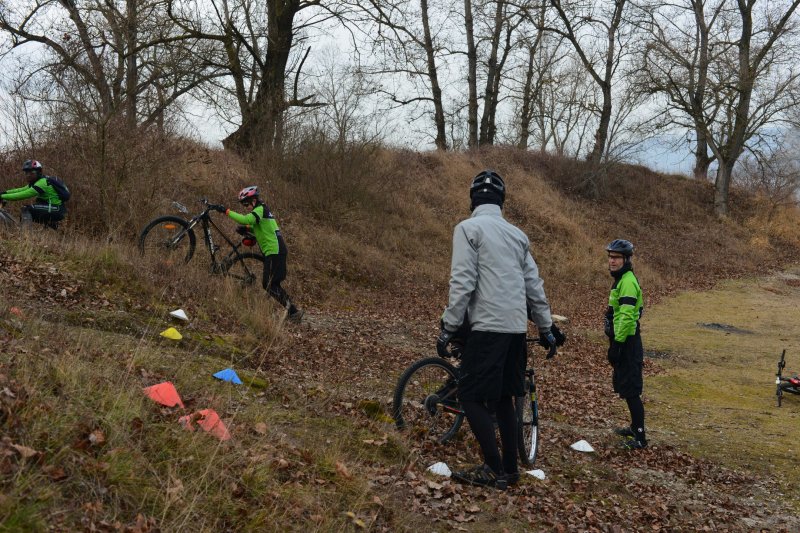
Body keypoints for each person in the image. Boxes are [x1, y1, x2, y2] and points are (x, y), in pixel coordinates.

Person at [437, 170, 562, 490]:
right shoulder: (517, 236)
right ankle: (510, 469)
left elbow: (462, 283)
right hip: (515, 329)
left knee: (469, 394)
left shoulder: (467, 229)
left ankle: (493, 468)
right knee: (505, 398)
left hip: (488, 327)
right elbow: (534, 286)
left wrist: (449, 327)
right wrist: (546, 327)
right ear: (501, 202)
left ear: (473, 199)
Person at [211, 186, 303, 322]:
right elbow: (258, 226)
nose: (246, 207)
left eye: (247, 203)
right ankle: (293, 312)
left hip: (275, 251)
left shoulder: (260, 209)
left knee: (269, 284)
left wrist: (226, 211)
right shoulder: (261, 211)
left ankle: (293, 312)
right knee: (272, 284)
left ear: (254, 200)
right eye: (244, 205)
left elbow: (246, 219)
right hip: (273, 251)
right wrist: (246, 229)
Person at [604, 239, 647, 449]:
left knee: (631, 390)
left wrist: (618, 345)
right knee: (627, 387)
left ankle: (640, 437)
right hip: (623, 340)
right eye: (610, 257)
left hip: (628, 342)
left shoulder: (627, 281)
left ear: (626, 259)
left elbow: (628, 316)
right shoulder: (621, 279)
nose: (612, 261)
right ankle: (634, 426)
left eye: (616, 258)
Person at [0, 160, 66, 229]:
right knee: (29, 212)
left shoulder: (42, 183)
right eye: (26, 173)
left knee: (26, 209)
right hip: (53, 208)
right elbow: (21, 190)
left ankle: (25, 234)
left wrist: (2, 196)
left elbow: (23, 194)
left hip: (56, 209)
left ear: (39, 172)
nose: (28, 175)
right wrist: (4, 193)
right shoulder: (36, 182)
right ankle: (52, 229)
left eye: (32, 172)